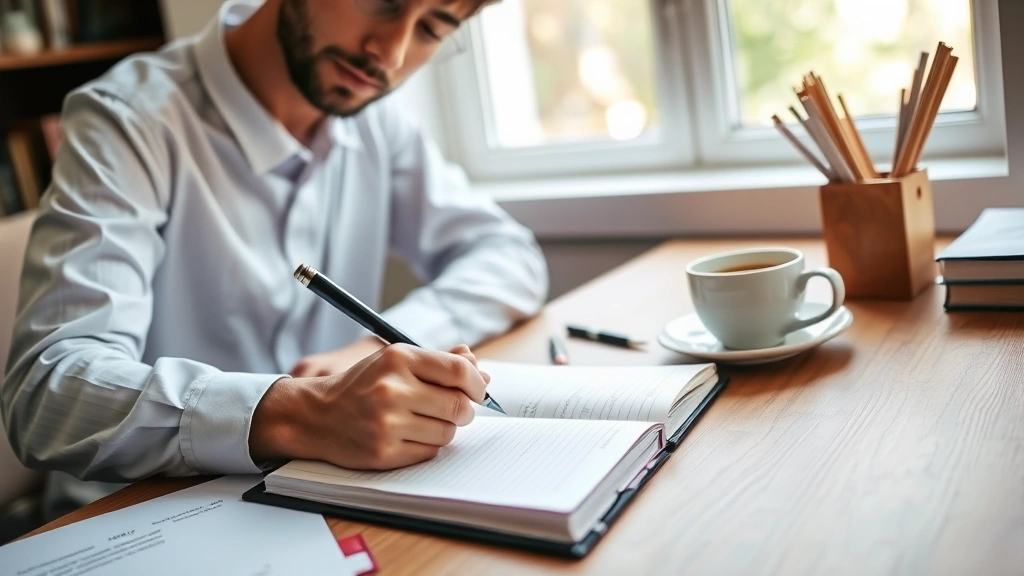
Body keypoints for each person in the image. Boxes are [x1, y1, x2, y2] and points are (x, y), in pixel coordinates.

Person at [1, 0, 547, 520]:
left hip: (308, 490)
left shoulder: (376, 122)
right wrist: (300, 410)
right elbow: (49, 390)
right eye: (382, 1)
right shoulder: (127, 121)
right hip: (137, 509)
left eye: (432, 27)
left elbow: (509, 254)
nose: (392, 53)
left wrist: (371, 351)